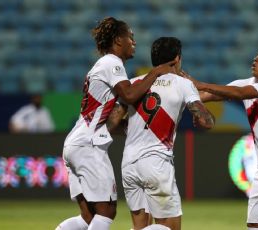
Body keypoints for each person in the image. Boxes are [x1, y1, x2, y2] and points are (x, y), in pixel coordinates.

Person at [56, 17, 177, 230]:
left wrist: (130, 127)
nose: (134, 42)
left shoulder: (103, 65)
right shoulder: (112, 62)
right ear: (118, 40)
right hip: (88, 146)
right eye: (130, 37)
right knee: (107, 211)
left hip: (76, 142)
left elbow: (109, 119)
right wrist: (156, 71)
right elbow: (129, 95)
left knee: (87, 217)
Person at [185, 41, 258, 230]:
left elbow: (239, 93)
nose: (256, 58)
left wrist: (200, 83)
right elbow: (209, 96)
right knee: (254, 225)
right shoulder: (247, 83)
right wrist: (188, 98)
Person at [107, 37, 215, 230]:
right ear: (177, 59)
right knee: (169, 228)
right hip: (156, 164)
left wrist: (134, 129)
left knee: (141, 227)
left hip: (129, 165)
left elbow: (112, 123)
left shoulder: (134, 83)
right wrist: (203, 117)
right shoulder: (182, 84)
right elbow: (206, 122)